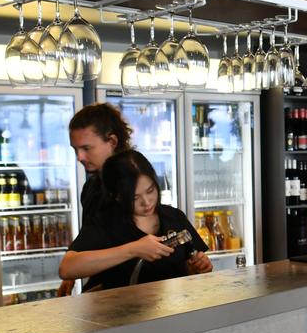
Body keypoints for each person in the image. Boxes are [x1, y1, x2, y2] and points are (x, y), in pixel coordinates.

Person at [58, 150, 212, 290]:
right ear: (117, 196)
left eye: (150, 190)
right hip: (124, 315)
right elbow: (67, 268)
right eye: (134, 198)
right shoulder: (107, 223)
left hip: (173, 312)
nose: (147, 202)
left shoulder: (173, 217)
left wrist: (197, 268)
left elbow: (188, 265)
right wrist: (134, 249)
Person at [58, 103, 134, 296]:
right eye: (75, 149)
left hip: (134, 292)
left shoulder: (134, 182)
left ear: (112, 141)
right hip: (102, 292)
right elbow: (91, 234)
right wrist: (73, 271)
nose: (79, 157)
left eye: (86, 148)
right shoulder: (91, 187)